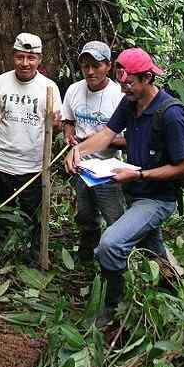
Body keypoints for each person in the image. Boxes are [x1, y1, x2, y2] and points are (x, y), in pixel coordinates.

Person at [65, 47, 184, 327]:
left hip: (157, 198)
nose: (125, 89)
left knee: (110, 244)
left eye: (130, 84)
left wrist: (140, 175)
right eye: (122, 83)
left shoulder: (171, 114)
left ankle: (113, 305)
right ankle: (175, 292)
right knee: (153, 248)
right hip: (135, 193)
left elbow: (183, 167)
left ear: (148, 78)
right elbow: (107, 136)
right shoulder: (130, 103)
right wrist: (78, 151)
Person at [0, 33, 62, 257]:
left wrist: (55, 125)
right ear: (13, 56)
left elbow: (54, 128)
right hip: (0, 161)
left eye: (31, 58)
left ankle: (32, 253)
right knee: (0, 212)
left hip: (33, 166)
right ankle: (0, 251)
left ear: (39, 59)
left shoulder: (49, 88)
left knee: (32, 215)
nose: (25, 63)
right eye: (20, 57)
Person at [62, 41, 126, 262]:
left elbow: (128, 139)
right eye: (85, 66)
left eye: (96, 65)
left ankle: (117, 258)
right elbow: (68, 120)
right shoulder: (74, 90)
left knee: (114, 216)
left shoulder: (119, 95)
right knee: (85, 214)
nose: (90, 71)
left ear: (108, 66)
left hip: (108, 169)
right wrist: (69, 134)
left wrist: (98, 141)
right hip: (81, 166)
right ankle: (88, 252)